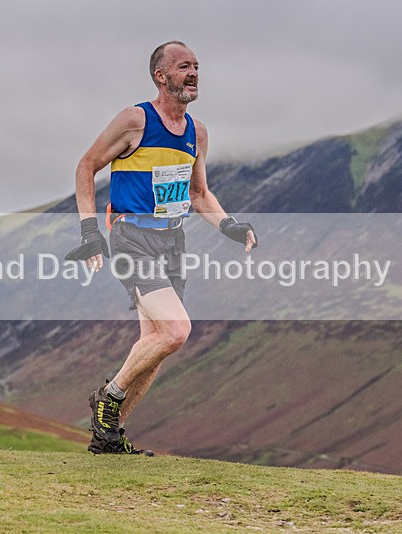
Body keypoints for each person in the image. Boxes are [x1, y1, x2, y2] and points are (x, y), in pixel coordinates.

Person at [67, 40, 258, 455]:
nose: (193, 73)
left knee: (154, 347)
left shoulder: (196, 132)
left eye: (197, 67)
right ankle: (108, 398)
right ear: (161, 75)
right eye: (184, 66)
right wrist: (88, 232)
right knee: (176, 330)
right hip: (131, 237)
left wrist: (229, 224)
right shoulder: (135, 120)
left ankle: (108, 438)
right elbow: (86, 166)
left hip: (172, 241)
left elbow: (199, 193)